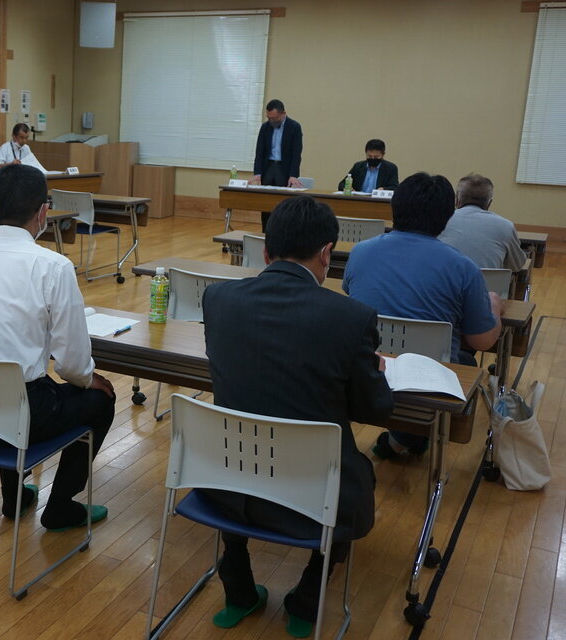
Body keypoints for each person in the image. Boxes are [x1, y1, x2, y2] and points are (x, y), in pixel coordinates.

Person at [201, 195, 393, 637]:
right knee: (359, 472)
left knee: (241, 440)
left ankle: (238, 586)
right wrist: (373, 373)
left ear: (266, 251)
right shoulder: (351, 318)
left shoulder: (219, 298)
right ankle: (307, 598)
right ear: (327, 253)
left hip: (226, 483)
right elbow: (375, 409)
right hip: (314, 496)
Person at [0, 163, 115, 530]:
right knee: (100, 401)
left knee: (14, 380)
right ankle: (61, 506)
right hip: (19, 418)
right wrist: (90, 379)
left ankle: (15, 497)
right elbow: (71, 363)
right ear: (43, 212)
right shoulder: (53, 265)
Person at [343, 172, 502, 459]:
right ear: (448, 215)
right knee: (466, 359)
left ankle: (403, 439)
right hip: (427, 379)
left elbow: (352, 296)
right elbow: (482, 341)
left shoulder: (360, 252)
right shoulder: (463, 267)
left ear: (395, 207)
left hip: (362, 367)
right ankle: (406, 438)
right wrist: (495, 308)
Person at [438, 173, 527, 271]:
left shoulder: (440, 220)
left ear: (456, 199)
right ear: (489, 203)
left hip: (445, 280)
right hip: (488, 281)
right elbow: (517, 265)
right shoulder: (506, 226)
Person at [248, 99, 303, 189]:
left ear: (283, 113)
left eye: (274, 118)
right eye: (269, 118)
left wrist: (293, 175)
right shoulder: (265, 127)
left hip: (284, 169)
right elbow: (259, 151)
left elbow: (296, 154)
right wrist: (257, 173)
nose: (271, 121)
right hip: (268, 168)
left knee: (283, 195)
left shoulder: (294, 127)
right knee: (265, 194)